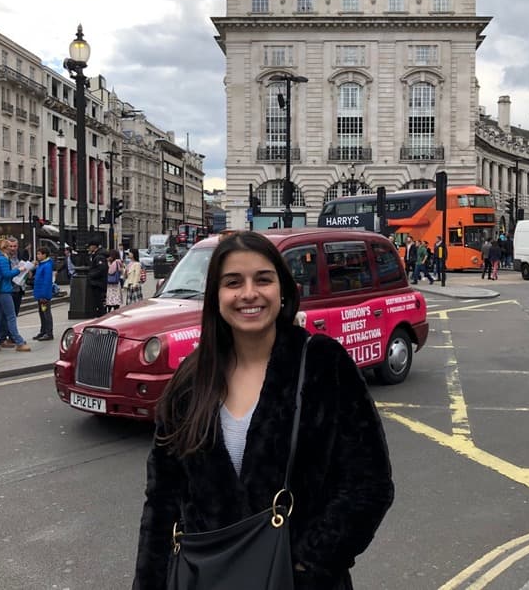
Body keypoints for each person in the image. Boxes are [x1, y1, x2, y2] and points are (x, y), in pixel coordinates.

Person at [132, 231, 393, 590]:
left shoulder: (321, 362)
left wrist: (306, 561)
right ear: (216, 296)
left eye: (263, 279)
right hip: (206, 578)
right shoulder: (190, 380)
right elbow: (162, 500)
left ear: (282, 289)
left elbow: (369, 484)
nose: (249, 294)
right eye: (233, 282)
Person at [0, 238, 30, 353]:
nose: (10, 250)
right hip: (4, 291)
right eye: (7, 247)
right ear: (3, 248)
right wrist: (19, 270)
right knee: (11, 317)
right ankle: (19, 342)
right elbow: (6, 275)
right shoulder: (2, 259)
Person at [32, 246, 54, 341]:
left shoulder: (47, 266)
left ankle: (49, 333)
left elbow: (46, 281)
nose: (37, 256)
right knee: (42, 313)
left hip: (43, 295)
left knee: (46, 313)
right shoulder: (41, 265)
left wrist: (44, 295)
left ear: (44, 255)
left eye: (39, 254)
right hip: (40, 293)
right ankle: (43, 331)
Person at [87, 240, 109, 317]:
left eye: (89, 246)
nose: (89, 248)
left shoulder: (99, 256)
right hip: (98, 283)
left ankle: (102, 317)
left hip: (98, 284)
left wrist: (90, 275)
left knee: (99, 303)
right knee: (98, 303)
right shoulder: (97, 255)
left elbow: (101, 269)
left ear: (94, 246)